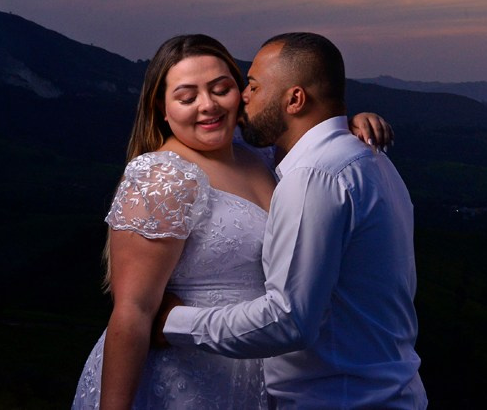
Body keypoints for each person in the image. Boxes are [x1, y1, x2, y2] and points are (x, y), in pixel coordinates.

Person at [71, 34, 392, 410]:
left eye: (221, 89)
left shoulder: (263, 155)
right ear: (162, 107)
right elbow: (133, 312)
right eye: (187, 97)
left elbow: (309, 141)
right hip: (181, 381)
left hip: (266, 372)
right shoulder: (161, 176)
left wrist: (345, 126)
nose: (208, 106)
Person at [158, 32, 426, 409]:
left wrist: (172, 321)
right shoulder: (372, 159)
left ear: (295, 99)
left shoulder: (313, 177)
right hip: (389, 392)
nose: (242, 96)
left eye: (252, 86)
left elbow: (290, 321)